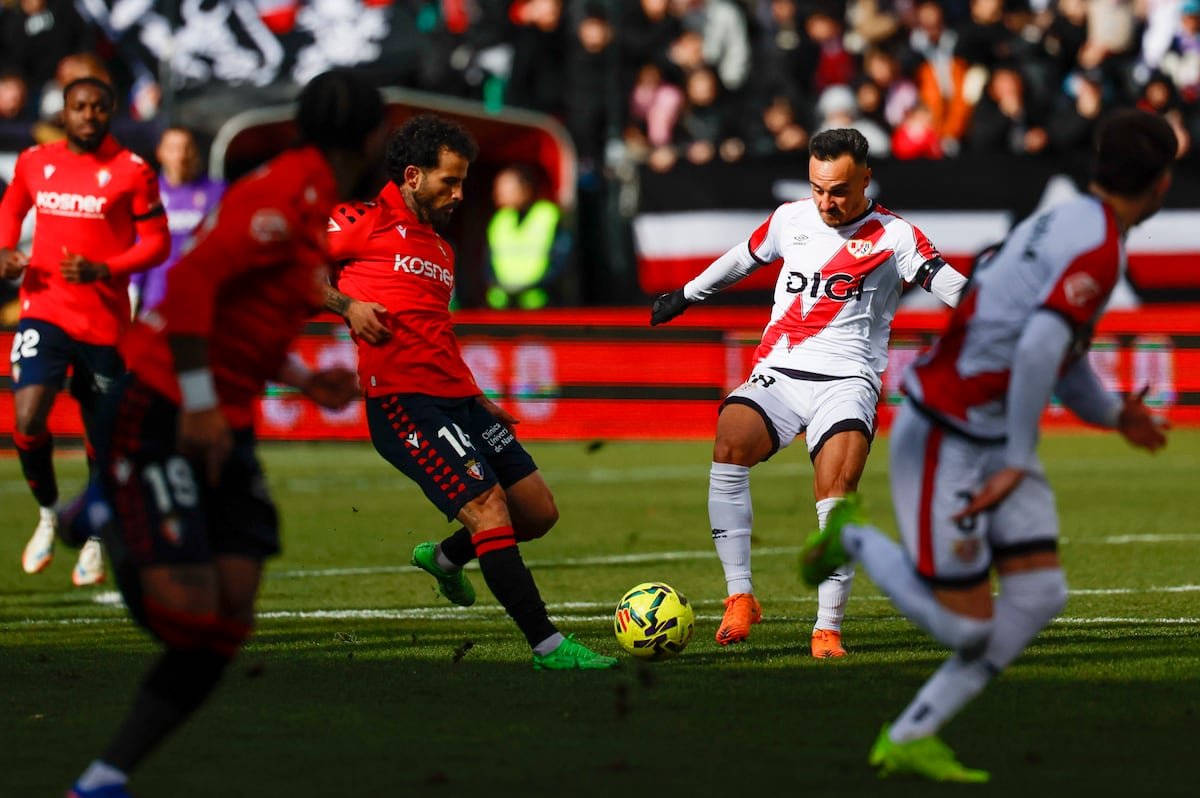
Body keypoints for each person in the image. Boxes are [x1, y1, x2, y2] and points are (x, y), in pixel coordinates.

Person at [800, 108, 1176, 782]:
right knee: (971, 628)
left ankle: (912, 733)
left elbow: (1056, 358)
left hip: (986, 429)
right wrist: (1016, 458)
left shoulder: (1061, 224)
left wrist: (1116, 414)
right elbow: (1037, 347)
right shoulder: (1097, 245)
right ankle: (850, 537)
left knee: (1038, 596)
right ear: (1161, 184)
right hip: (952, 431)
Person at [57, 69, 384, 798]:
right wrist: (202, 403)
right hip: (166, 401)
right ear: (368, 138)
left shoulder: (311, 197)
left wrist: (302, 380)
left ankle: (105, 776)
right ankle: (104, 507)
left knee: (229, 616)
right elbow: (196, 286)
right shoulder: (282, 189)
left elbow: (251, 306)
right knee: (189, 611)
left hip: (220, 411)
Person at [650, 128, 966, 658]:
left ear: (866, 178)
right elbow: (740, 259)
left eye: (839, 190)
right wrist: (685, 294)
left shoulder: (896, 236)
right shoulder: (789, 219)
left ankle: (826, 629)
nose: (826, 202)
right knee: (729, 442)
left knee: (835, 489)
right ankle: (741, 597)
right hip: (780, 373)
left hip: (848, 383)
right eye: (818, 188)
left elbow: (948, 282)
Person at [323, 114, 618, 671]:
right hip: (403, 403)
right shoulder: (357, 221)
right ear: (412, 175)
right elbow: (285, 267)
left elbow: (436, 332)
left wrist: (474, 393)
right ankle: (548, 647)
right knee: (487, 507)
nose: (460, 194)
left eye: (463, 182)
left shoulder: (440, 249)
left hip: (456, 397)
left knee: (537, 513)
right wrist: (348, 306)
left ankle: (442, 558)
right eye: (450, 182)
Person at [0, 75, 170, 587]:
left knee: (103, 440)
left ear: (111, 110)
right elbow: (11, 207)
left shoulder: (132, 171)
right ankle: (50, 513)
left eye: (99, 107)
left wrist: (105, 269)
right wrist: (7, 249)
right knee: (27, 418)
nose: (89, 115)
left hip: (103, 322)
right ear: (65, 111)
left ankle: (95, 535)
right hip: (44, 307)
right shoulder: (35, 160)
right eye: (80, 107)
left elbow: (157, 242)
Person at [130, 126, 225, 313]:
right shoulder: (148, 193)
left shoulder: (217, 192)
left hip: (201, 298)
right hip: (157, 300)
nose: (181, 156)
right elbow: (140, 248)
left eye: (186, 148)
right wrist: (132, 290)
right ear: (160, 153)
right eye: (173, 149)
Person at [484, 163, 567, 310]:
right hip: (502, 304)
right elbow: (488, 261)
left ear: (526, 189)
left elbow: (562, 260)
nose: (497, 194)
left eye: (506, 188)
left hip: (539, 302)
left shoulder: (548, 215)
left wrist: (539, 284)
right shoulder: (499, 220)